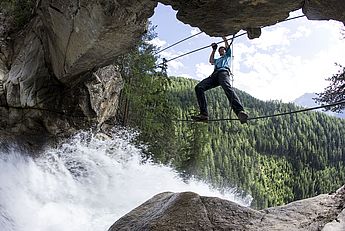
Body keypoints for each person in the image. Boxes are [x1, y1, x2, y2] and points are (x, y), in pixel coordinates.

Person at [191, 36, 248, 124]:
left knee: (226, 87)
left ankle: (239, 111)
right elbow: (211, 61)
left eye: (223, 49)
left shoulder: (228, 55)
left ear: (225, 51)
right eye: (220, 50)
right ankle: (204, 115)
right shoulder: (218, 60)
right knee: (199, 87)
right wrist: (213, 50)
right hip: (214, 75)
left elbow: (227, 44)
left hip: (223, 73)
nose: (221, 50)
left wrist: (223, 37)